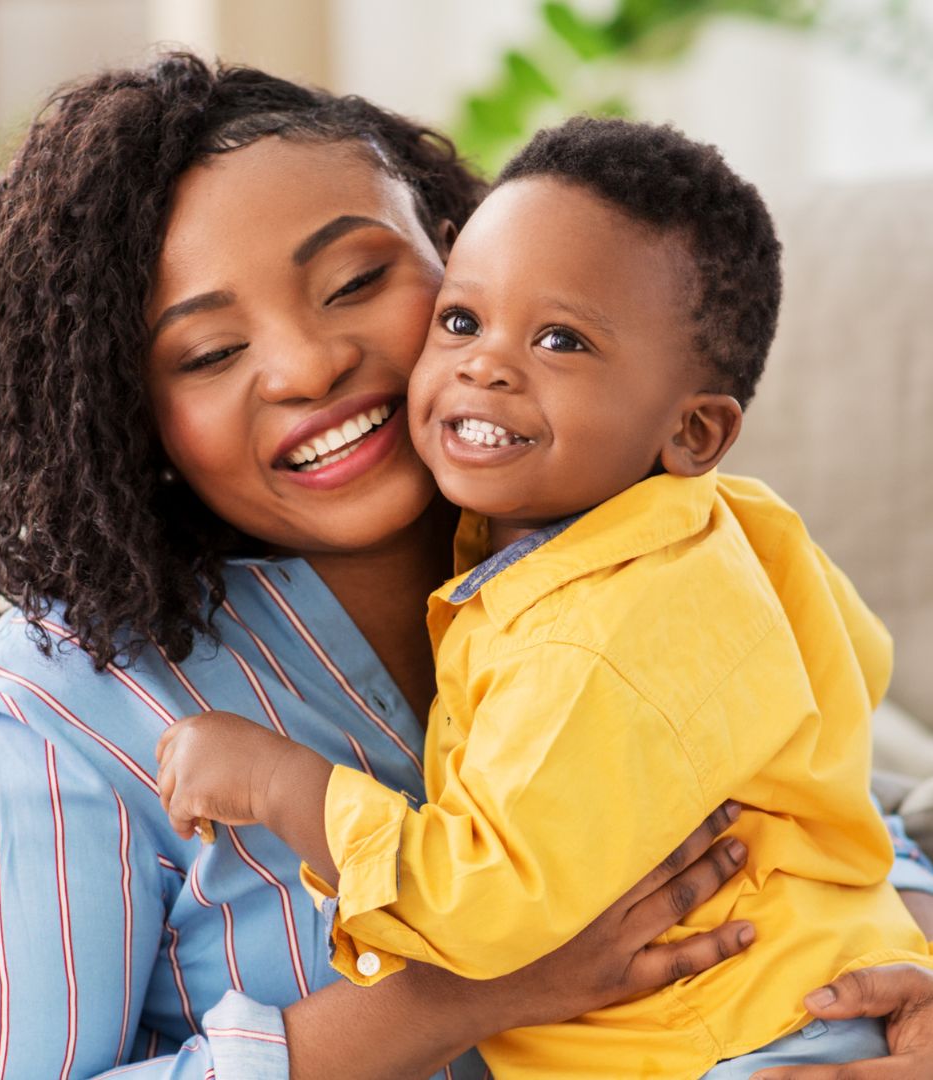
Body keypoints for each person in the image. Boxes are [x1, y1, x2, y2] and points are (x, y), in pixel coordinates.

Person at [0, 54, 933, 1080]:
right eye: (208, 353)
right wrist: (465, 994)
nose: (309, 366)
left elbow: (833, 809)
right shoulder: (38, 736)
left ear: (452, 247)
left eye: (357, 282)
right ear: (129, 414)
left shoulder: (649, 547)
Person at [154, 117, 933, 1079]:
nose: (485, 364)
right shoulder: (732, 521)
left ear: (694, 431)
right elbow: (851, 670)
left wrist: (281, 785)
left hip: (733, 1043)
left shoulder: (584, 638)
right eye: (462, 321)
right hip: (801, 996)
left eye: (561, 340)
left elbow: (484, 913)